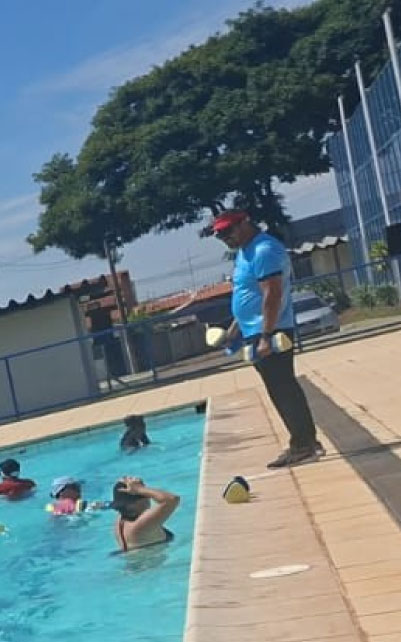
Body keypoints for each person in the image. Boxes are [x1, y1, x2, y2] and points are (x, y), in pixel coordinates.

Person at [206, 210, 324, 468]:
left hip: (270, 330)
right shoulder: (245, 252)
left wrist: (266, 336)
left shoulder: (263, 250)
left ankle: (303, 445)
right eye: (220, 235)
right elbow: (248, 296)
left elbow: (272, 294)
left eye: (228, 231)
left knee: (283, 388)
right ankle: (305, 442)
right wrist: (234, 331)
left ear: (244, 223)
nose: (225, 238)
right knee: (278, 388)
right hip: (256, 331)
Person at [110, 477, 179, 552]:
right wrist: (139, 489)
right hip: (151, 559)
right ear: (134, 504)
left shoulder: (120, 519)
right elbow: (172, 499)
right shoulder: (141, 525)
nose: (149, 498)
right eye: (145, 495)